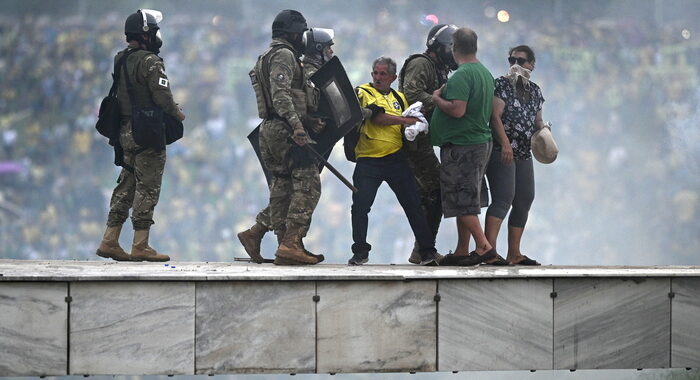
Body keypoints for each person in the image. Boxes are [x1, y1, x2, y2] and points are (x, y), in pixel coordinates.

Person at [236, 23, 332, 264]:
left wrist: (305, 120)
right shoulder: (285, 55)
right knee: (309, 182)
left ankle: (255, 234)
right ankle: (291, 242)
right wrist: (298, 125)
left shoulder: (267, 57)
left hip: (270, 129)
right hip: (285, 129)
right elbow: (281, 96)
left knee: (283, 186)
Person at [96, 9, 186, 262]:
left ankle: (110, 240)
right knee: (148, 187)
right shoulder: (151, 62)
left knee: (126, 184)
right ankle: (140, 245)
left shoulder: (120, 58)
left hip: (125, 130)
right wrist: (177, 112)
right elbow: (162, 96)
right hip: (147, 131)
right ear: (146, 34)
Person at [348, 56, 440, 266]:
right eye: (375, 73)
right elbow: (377, 118)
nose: (378, 77)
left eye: (382, 74)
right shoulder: (363, 92)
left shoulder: (400, 97)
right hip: (369, 159)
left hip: (396, 159)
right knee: (360, 207)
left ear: (393, 77)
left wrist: (417, 124)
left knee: (414, 205)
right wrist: (406, 121)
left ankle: (427, 251)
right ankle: (360, 251)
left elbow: (411, 116)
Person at [430, 27, 507, 266]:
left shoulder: (462, 75)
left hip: (463, 144)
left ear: (454, 48)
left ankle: (483, 247)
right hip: (479, 142)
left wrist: (436, 99)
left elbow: (457, 109)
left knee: (460, 198)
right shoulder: (484, 72)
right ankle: (462, 249)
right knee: (465, 199)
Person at [398, 24, 457, 264]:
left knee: (432, 193)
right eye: (451, 48)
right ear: (439, 47)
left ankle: (422, 248)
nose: (454, 53)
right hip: (413, 141)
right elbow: (411, 94)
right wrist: (439, 101)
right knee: (435, 190)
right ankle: (424, 250)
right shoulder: (421, 64)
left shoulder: (438, 68)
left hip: (423, 140)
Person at [484, 45, 545, 265]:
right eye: (512, 60)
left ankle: (514, 253)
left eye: (521, 60)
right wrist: (505, 143)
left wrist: (544, 132)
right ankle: (488, 251)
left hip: (523, 151)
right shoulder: (501, 85)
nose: (516, 65)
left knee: (524, 198)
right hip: (503, 150)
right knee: (503, 198)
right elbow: (495, 116)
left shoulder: (535, 91)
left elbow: (537, 121)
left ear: (532, 64)